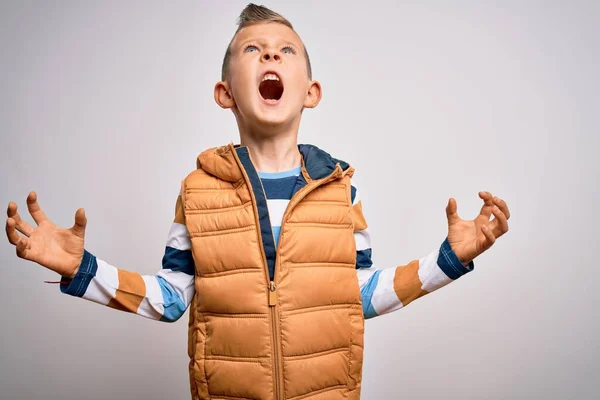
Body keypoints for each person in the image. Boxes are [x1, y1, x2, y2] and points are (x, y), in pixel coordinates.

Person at [4, 4, 510, 400]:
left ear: (310, 91)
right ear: (225, 93)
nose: (271, 56)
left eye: (285, 50)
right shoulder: (197, 192)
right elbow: (173, 298)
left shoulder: (342, 192)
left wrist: (450, 260)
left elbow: (358, 295)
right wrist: (82, 268)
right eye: (254, 50)